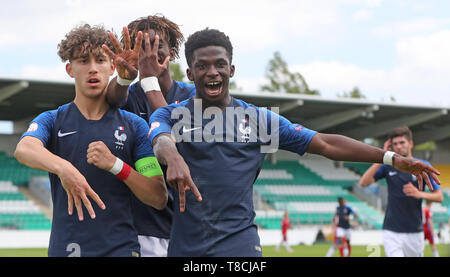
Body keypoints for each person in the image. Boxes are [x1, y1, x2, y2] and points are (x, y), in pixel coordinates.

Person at [147, 28, 440, 257]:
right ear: (189, 73)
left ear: (231, 70)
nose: (212, 72)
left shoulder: (259, 120)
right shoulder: (173, 114)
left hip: (240, 245)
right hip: (185, 247)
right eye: (203, 66)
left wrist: (390, 158)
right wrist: (172, 156)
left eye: (220, 64)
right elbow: (160, 139)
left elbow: (325, 143)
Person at [14, 24, 167, 257]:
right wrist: (65, 168)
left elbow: (158, 197)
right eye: (83, 61)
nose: (93, 69)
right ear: (69, 69)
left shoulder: (135, 125)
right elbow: (24, 148)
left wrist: (117, 166)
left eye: (100, 60)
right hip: (65, 249)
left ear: (113, 66)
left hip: (121, 249)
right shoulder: (53, 120)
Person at [102, 15, 195, 257]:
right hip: (139, 228)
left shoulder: (193, 95)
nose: (148, 55)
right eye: (141, 46)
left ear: (172, 53)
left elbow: (179, 139)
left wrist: (150, 81)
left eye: (156, 46)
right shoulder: (125, 95)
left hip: (191, 225)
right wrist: (124, 77)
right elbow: (110, 99)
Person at [360, 127, 443, 257]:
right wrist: (383, 156)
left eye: (402, 142)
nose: (398, 146)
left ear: (410, 144)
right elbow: (364, 182)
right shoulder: (388, 166)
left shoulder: (422, 165)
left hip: (415, 231)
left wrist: (419, 193)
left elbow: (439, 197)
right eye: (395, 144)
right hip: (391, 230)